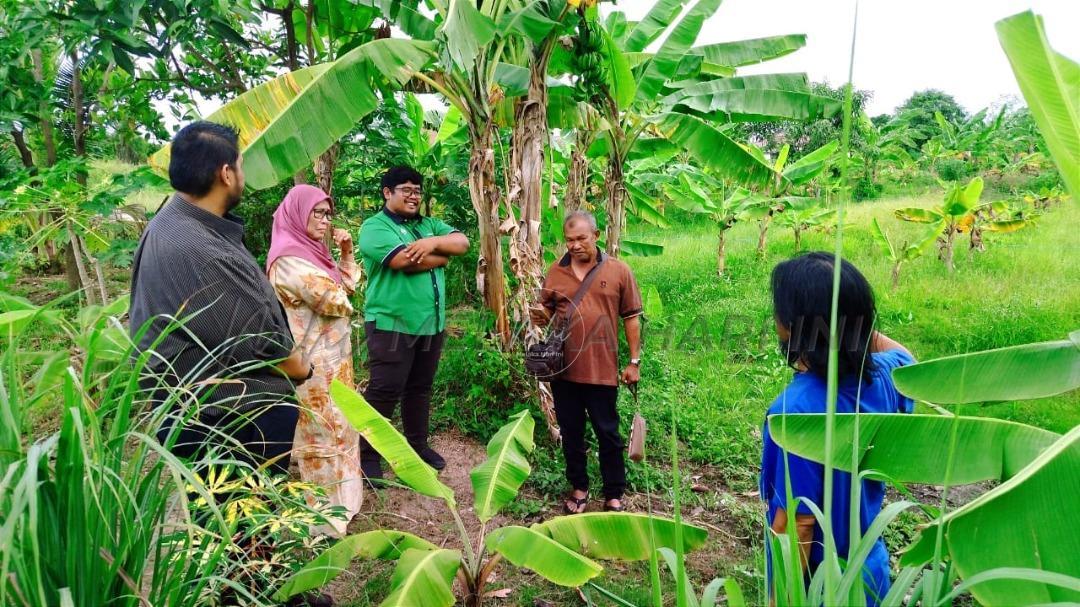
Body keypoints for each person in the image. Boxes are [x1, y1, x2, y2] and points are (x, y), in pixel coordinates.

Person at [129, 121, 311, 475]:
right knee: (244, 525)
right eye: (241, 166)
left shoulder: (173, 221)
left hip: (202, 414)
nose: (243, 175)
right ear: (226, 174)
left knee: (223, 525)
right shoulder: (201, 251)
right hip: (230, 423)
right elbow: (260, 345)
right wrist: (303, 368)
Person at [760, 251, 916, 606]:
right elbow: (905, 355)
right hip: (870, 572)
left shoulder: (793, 412)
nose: (775, 318)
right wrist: (852, 327)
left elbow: (798, 525)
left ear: (800, 324)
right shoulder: (889, 378)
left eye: (780, 310)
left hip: (820, 587)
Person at [357, 165, 469, 481]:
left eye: (417, 190)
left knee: (419, 388)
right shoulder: (374, 227)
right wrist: (441, 255)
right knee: (385, 389)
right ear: (387, 192)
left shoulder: (428, 224)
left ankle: (417, 445)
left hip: (430, 323)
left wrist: (431, 244)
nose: (414, 196)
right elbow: (402, 261)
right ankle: (366, 455)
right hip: (391, 323)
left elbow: (461, 244)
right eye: (406, 189)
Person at [530, 211, 643, 514]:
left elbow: (631, 318)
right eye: (569, 240)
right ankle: (579, 487)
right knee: (572, 432)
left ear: (596, 235)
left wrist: (634, 362)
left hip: (602, 369)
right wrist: (539, 314)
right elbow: (548, 312)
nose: (575, 245)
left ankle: (614, 493)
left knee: (608, 432)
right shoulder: (556, 271)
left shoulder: (619, 271)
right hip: (564, 371)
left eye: (581, 238)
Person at [267, 184, 363, 537]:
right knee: (321, 435)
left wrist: (347, 251)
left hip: (335, 359)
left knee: (342, 427)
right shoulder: (289, 259)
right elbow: (335, 300)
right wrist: (341, 280)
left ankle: (347, 504)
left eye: (327, 214)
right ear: (297, 213)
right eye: (317, 213)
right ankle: (325, 517)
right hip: (312, 364)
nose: (324, 221)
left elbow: (347, 286)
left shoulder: (314, 255)